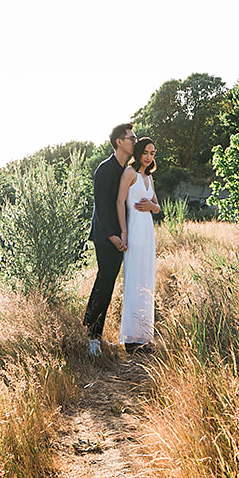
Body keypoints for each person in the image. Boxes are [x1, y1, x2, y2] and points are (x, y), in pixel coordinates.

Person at [84, 123, 136, 357]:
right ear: (119, 142)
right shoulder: (105, 170)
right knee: (105, 282)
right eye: (131, 138)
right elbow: (101, 207)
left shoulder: (125, 169)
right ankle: (92, 338)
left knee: (107, 282)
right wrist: (114, 237)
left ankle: (92, 331)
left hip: (120, 236)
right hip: (106, 237)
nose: (135, 141)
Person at [117, 136, 161, 351]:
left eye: (152, 154)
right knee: (134, 280)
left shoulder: (149, 177)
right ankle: (130, 338)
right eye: (146, 152)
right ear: (138, 152)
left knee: (146, 281)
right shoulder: (129, 173)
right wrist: (123, 231)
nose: (149, 157)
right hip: (133, 230)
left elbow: (158, 207)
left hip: (148, 232)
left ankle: (144, 337)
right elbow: (119, 201)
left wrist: (153, 207)